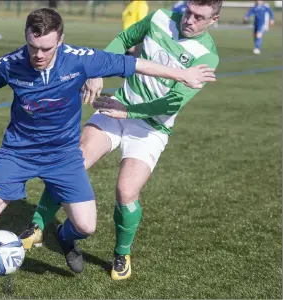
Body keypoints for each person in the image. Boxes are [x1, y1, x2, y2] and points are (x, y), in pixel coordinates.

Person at [0, 8, 215, 299]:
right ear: (26, 38)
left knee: (86, 226)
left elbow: (134, 64)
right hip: (17, 153)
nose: (39, 55)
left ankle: (65, 237)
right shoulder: (11, 63)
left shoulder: (80, 59)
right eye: (33, 47)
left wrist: (180, 74)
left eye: (46, 48)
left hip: (62, 156)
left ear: (60, 40)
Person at [20, 0, 221, 281]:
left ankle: (120, 252)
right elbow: (125, 39)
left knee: (126, 192)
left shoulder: (207, 58)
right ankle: (37, 226)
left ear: (214, 19)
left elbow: (172, 103)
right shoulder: (162, 17)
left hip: (151, 126)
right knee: (73, 161)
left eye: (199, 17)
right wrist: (99, 72)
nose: (189, 20)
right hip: (119, 105)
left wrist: (128, 111)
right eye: (188, 11)